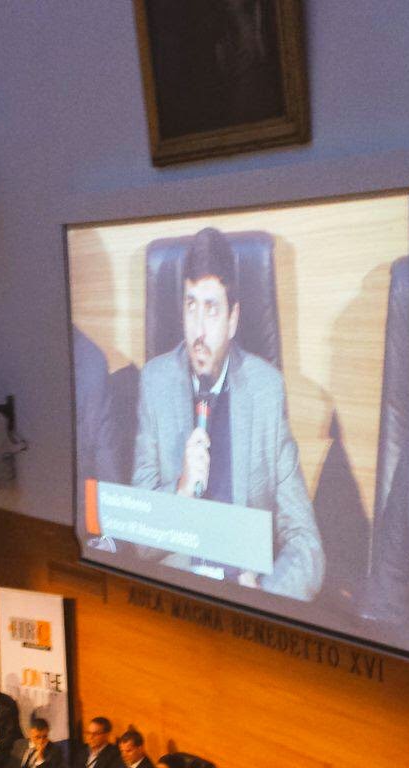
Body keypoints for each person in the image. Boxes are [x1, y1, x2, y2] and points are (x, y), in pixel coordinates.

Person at [132, 226, 324, 602]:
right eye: (191, 306)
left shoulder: (266, 391)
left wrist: (265, 596)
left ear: (233, 319)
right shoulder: (155, 384)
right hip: (177, 598)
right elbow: (138, 541)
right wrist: (181, 491)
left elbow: (306, 543)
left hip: (243, 601)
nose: (198, 331)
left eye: (211, 310)